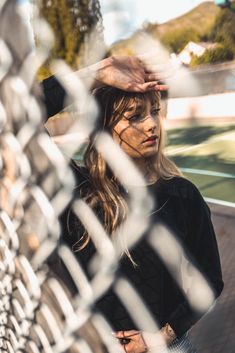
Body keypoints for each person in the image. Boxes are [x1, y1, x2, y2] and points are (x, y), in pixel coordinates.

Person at [42, 59, 223, 353]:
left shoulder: (182, 195)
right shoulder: (77, 189)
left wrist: (164, 335)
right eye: (134, 116)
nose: (152, 123)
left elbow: (211, 280)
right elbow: (13, 115)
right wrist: (95, 74)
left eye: (154, 111)